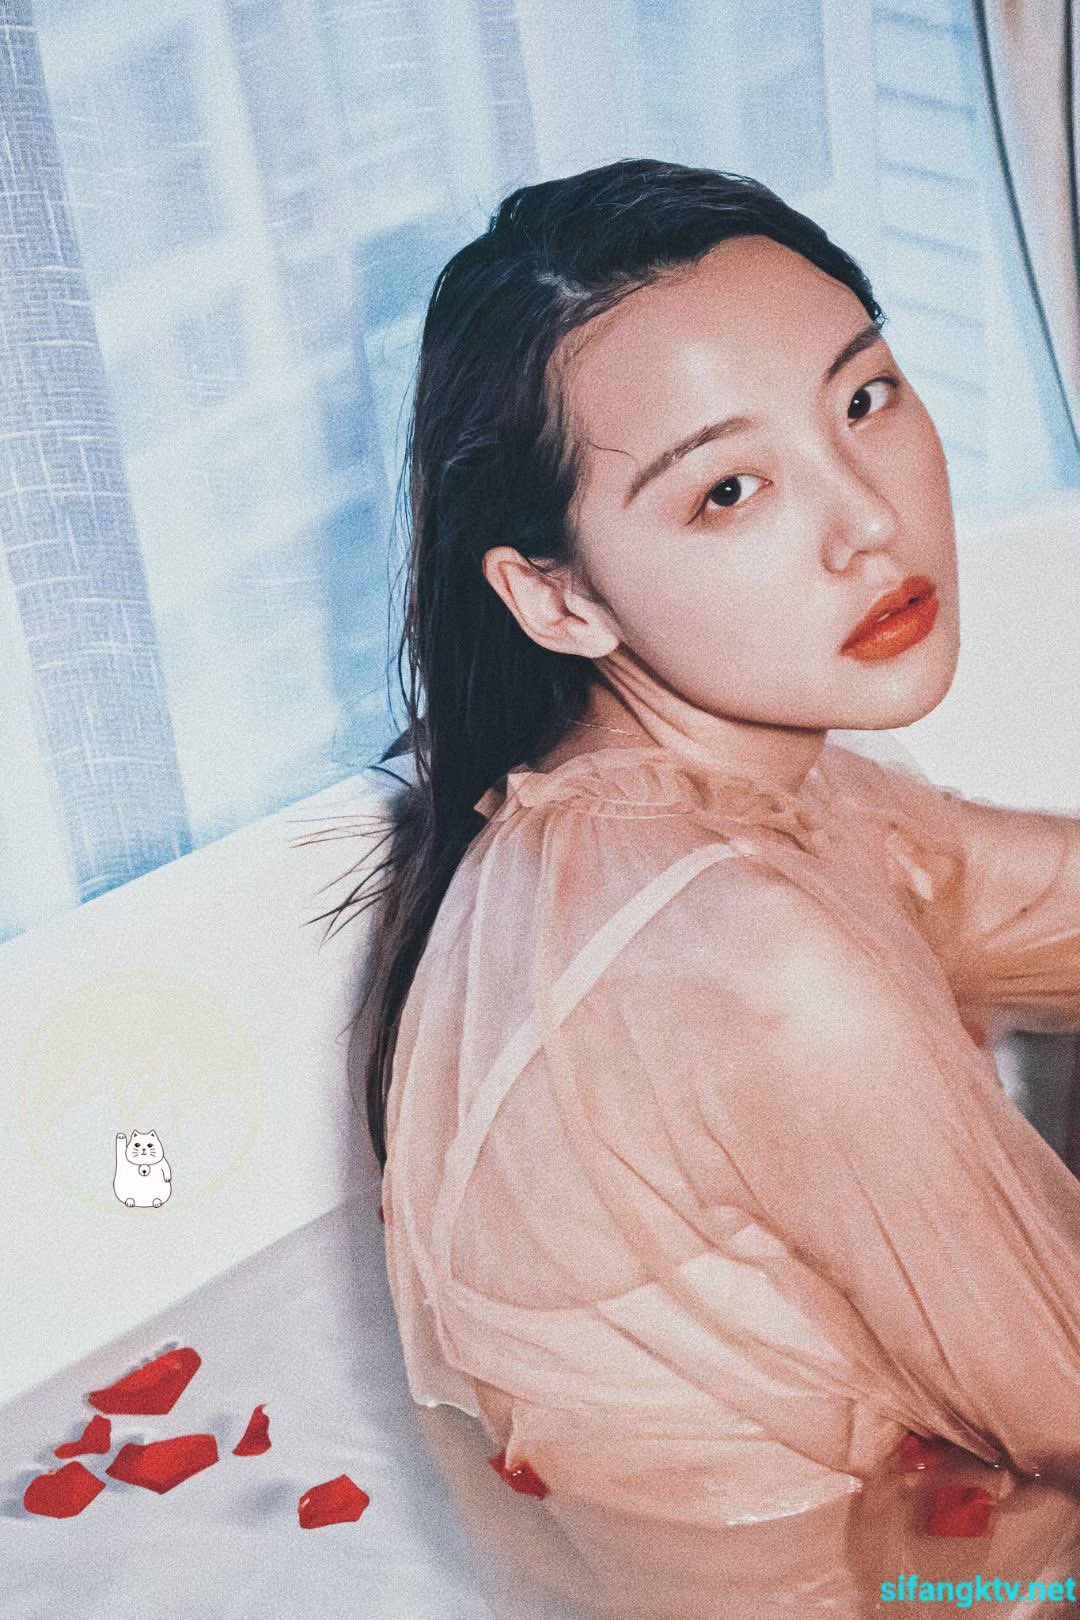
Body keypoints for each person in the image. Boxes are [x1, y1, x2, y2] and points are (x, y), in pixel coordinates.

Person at [317, 160, 1080, 1616]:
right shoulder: (754, 955)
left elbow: (1035, 901)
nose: (868, 523)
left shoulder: (649, 798)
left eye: (865, 399)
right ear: (559, 599)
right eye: (729, 490)